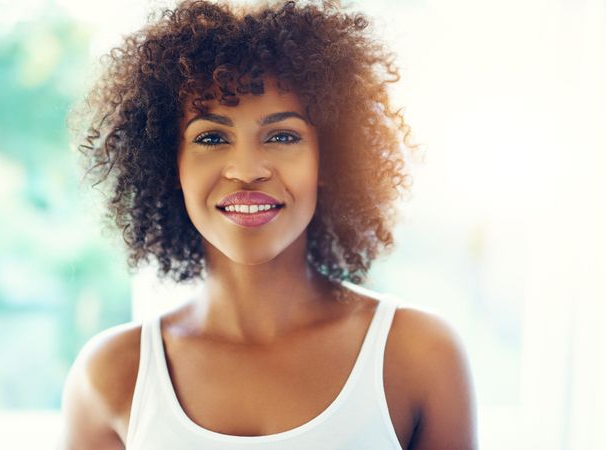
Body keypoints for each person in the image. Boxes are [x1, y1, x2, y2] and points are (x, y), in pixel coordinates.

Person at [60, 0, 477, 449]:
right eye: (211, 137)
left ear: (330, 158)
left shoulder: (419, 355)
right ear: (168, 165)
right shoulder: (111, 375)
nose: (246, 169)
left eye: (282, 136)